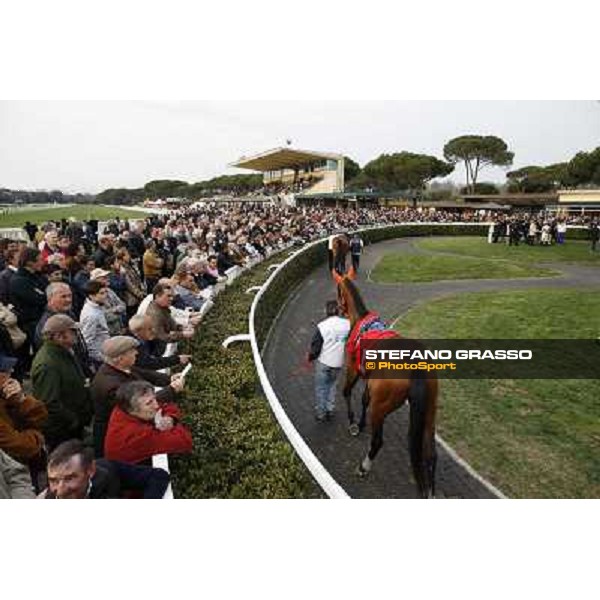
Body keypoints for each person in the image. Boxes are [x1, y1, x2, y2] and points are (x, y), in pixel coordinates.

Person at [91, 336, 184, 457]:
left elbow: (145, 374)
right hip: (116, 439)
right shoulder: (110, 385)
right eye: (132, 351)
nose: (136, 352)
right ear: (120, 358)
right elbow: (139, 405)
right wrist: (172, 390)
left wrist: (169, 379)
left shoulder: (119, 368)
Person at [31, 315, 92, 451]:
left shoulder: (64, 351)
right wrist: (73, 420)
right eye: (73, 331)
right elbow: (49, 402)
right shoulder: (48, 364)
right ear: (59, 336)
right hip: (62, 430)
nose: (77, 334)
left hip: (72, 424)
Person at [39, 439, 170, 499]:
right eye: (54, 480)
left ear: (90, 470)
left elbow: (158, 476)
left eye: (70, 478)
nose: (60, 491)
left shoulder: (108, 469)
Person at [104, 381, 193, 464]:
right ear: (132, 410)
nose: (156, 405)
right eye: (149, 403)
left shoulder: (122, 408)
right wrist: (172, 425)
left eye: (154, 399)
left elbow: (167, 406)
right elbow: (184, 441)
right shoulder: (137, 436)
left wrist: (170, 418)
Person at [0, 354, 48, 472]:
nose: (12, 370)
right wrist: (38, 438)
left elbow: (42, 418)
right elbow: (22, 446)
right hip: (12, 473)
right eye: (4, 370)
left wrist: (21, 399)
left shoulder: (6, 396)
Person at [307, 300, 350, 421]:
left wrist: (310, 358)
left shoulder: (322, 326)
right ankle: (330, 409)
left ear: (326, 311)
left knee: (321, 388)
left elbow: (315, 348)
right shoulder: (347, 324)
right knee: (332, 386)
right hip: (337, 363)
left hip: (324, 362)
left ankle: (321, 414)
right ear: (338, 310)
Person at [79, 279, 111, 369]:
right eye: (101, 293)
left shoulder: (96, 307)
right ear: (91, 296)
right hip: (100, 359)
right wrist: (104, 359)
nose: (106, 296)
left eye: (105, 292)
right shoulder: (91, 315)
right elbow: (87, 343)